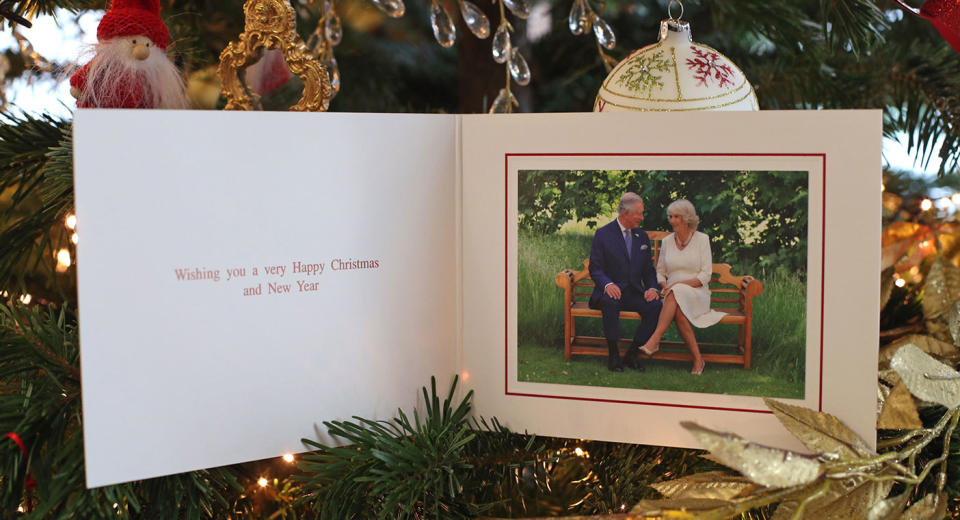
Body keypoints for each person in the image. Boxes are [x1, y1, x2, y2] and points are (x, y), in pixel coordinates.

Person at [639, 199, 725, 375]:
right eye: (670, 216)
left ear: (687, 218)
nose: (672, 220)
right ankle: (698, 360)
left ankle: (655, 339)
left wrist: (677, 284)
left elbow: (705, 275)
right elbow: (660, 272)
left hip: (697, 293)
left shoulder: (702, 239)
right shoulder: (668, 241)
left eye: (676, 216)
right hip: (672, 295)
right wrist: (663, 284)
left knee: (676, 291)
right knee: (678, 307)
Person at [588, 192, 663, 372]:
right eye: (639, 213)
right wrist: (608, 284)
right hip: (611, 291)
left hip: (633, 292)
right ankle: (613, 355)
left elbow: (648, 270)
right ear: (625, 213)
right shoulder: (603, 234)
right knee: (610, 302)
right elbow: (595, 268)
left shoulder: (642, 237)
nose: (642, 218)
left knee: (655, 306)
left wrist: (652, 287)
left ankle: (632, 355)